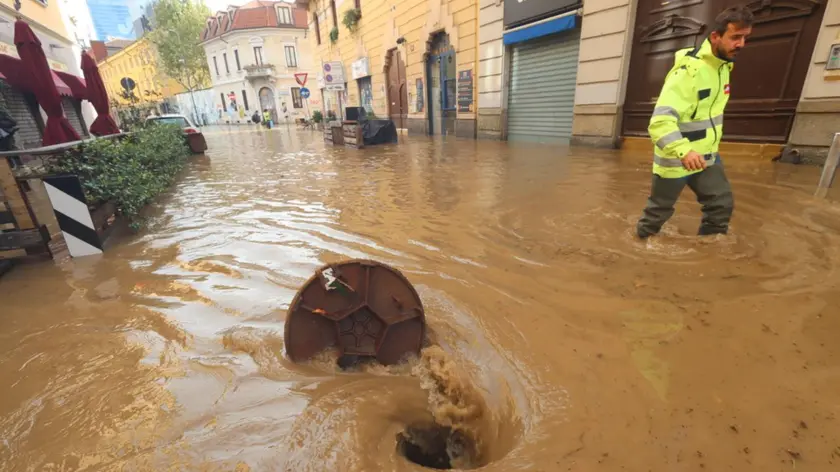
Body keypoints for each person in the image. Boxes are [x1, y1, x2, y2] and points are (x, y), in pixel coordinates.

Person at [636, 5, 753, 239]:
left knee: (721, 205)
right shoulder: (688, 72)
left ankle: (708, 253)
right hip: (677, 158)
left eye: (745, 38)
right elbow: (659, 122)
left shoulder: (723, 67)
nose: (741, 44)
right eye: (735, 37)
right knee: (658, 213)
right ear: (715, 36)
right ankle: (638, 246)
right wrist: (684, 151)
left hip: (706, 156)